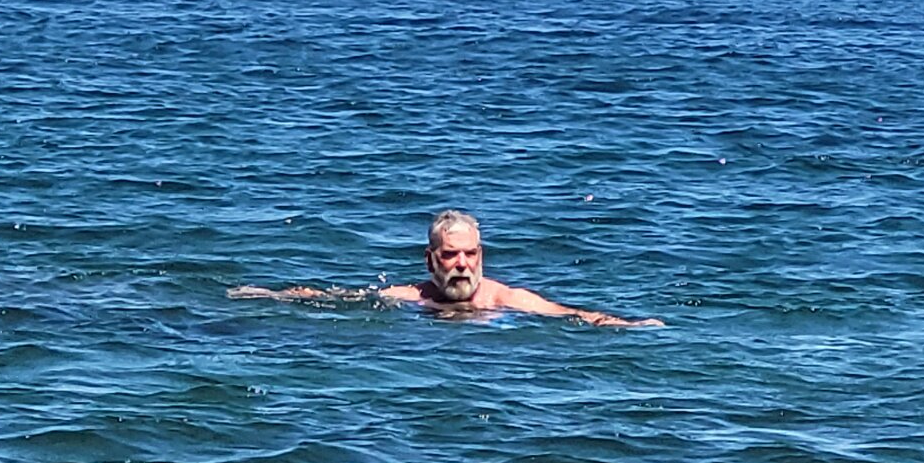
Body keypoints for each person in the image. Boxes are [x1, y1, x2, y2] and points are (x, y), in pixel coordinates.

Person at [229, 209, 664, 327]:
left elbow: (568, 314)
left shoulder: (505, 299)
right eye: (450, 255)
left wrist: (624, 324)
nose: (461, 264)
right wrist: (271, 295)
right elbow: (339, 298)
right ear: (430, 260)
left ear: (481, 256)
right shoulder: (411, 298)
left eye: (469, 255)